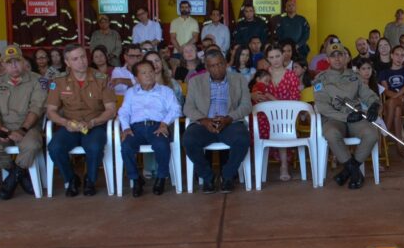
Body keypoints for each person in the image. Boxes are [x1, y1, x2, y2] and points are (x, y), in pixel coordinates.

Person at [45, 45, 118, 197]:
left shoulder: (102, 79)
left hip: (95, 125)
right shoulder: (58, 82)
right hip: (70, 126)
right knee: (54, 148)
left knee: (95, 146)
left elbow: (111, 110)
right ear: (67, 62)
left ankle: (90, 180)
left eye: (83, 57)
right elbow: (50, 111)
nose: (81, 62)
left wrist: (93, 122)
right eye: (75, 59)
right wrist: (66, 123)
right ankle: (71, 179)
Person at [0, 44, 47, 200]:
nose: (14, 65)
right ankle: (17, 174)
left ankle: (12, 178)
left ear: (23, 62)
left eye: (17, 61)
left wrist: (22, 130)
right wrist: (0, 129)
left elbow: (37, 107)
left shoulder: (37, 80)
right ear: (3, 65)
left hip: (28, 128)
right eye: (9, 62)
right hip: (2, 128)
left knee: (32, 145)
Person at [183, 49, 252, 193]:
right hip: (205, 123)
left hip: (229, 122)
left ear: (226, 63)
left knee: (243, 139)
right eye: (213, 66)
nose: (217, 68)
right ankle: (208, 177)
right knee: (188, 140)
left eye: (220, 64)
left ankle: (227, 176)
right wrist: (203, 120)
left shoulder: (239, 79)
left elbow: (247, 105)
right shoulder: (195, 82)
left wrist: (229, 118)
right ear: (207, 67)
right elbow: (188, 107)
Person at [312, 43, 380, 189]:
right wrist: (346, 118)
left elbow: (368, 94)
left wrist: (374, 104)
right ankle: (355, 172)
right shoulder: (320, 79)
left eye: (340, 55)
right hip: (334, 119)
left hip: (355, 117)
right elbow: (323, 107)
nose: (337, 59)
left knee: (372, 134)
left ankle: (348, 171)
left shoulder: (355, 77)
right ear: (328, 60)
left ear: (345, 57)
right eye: (333, 56)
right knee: (331, 133)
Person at [118, 60, 182, 196]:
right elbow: (123, 112)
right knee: (126, 147)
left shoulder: (166, 91)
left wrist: (164, 123)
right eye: (144, 73)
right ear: (136, 78)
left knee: (161, 145)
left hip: (157, 126)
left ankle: (161, 178)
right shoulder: (131, 92)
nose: (148, 75)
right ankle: (135, 179)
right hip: (136, 128)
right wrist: (126, 128)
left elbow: (176, 109)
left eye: (151, 72)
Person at [251, 44, 301, 181]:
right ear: (267, 59)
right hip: (264, 116)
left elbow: (295, 98)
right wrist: (253, 95)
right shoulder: (263, 74)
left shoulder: (291, 75)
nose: (275, 60)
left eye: (278, 56)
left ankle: (284, 165)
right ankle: (258, 163)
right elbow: (254, 90)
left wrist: (279, 106)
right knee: (256, 125)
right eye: (271, 57)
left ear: (283, 55)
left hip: (285, 116)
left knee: (281, 125)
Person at [378, 46, 404, 157]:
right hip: (394, 107)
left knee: (393, 103)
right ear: (392, 56)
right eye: (397, 55)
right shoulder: (384, 72)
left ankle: (384, 136)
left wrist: (399, 97)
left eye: (402, 55)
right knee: (396, 109)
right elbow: (386, 92)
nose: (399, 58)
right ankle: (400, 148)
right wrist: (400, 97)